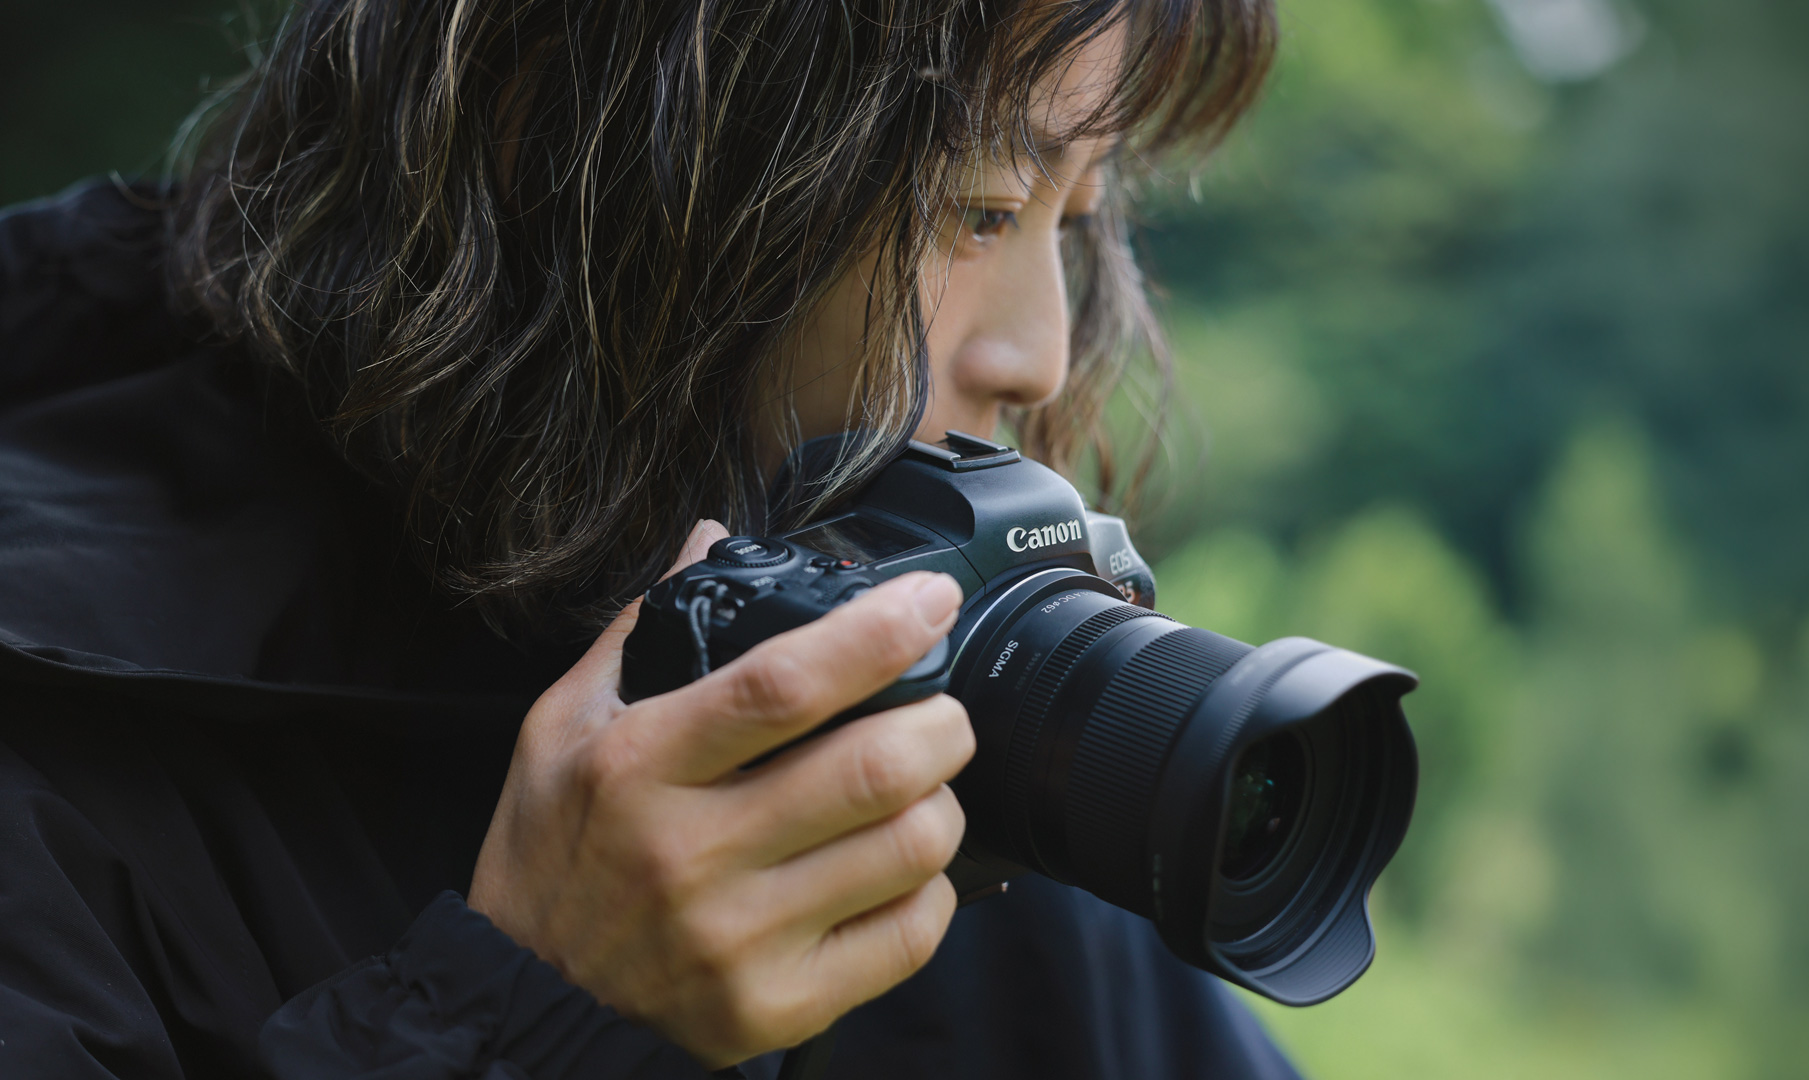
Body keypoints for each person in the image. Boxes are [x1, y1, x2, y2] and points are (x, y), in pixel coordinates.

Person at [0, 1, 1296, 1076]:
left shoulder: (928, 761)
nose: (1045, 353)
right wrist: (530, 1010)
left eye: (1074, 219)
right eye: (978, 208)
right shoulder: (55, 746)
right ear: (563, 148)